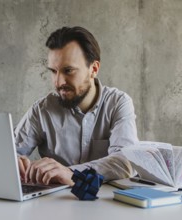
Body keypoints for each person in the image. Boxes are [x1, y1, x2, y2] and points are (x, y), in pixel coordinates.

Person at [15, 26, 138, 186]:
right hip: (54, 206)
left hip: (107, 204)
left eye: (68, 71)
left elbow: (126, 162)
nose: (58, 82)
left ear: (93, 69)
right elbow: (8, 153)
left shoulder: (118, 103)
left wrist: (71, 174)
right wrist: (13, 162)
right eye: (53, 71)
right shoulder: (42, 110)